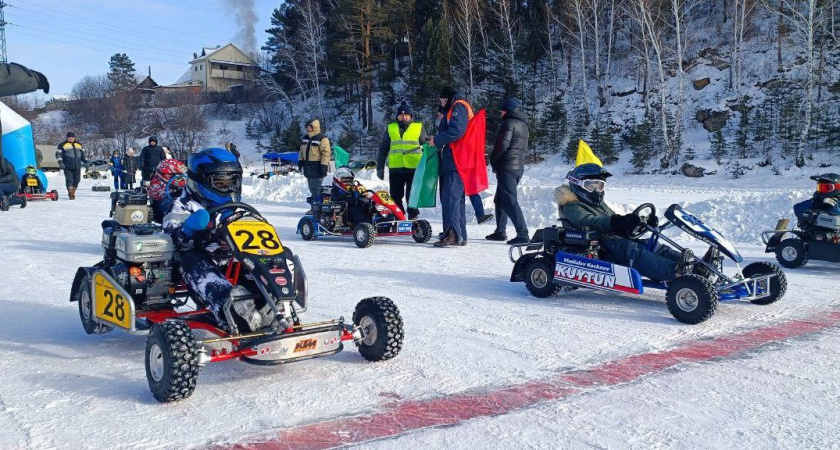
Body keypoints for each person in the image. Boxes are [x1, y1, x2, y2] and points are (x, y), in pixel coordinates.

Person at [162, 148, 264, 332]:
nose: (228, 188)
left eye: (233, 182)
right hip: (199, 261)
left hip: (233, 257)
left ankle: (270, 303)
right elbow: (171, 238)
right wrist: (187, 229)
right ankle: (229, 306)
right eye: (221, 182)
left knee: (262, 257)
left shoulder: (235, 207)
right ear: (200, 180)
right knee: (191, 259)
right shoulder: (182, 205)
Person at [556, 163, 694, 282]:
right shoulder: (571, 205)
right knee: (633, 251)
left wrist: (639, 223)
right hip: (600, 244)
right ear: (577, 184)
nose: (597, 190)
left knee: (650, 245)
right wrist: (617, 222)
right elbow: (589, 221)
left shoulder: (598, 204)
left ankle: (692, 265)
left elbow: (614, 219)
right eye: (591, 186)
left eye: (600, 186)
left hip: (614, 240)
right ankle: (675, 272)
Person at [430, 87, 471, 247]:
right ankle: (460, 234)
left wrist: (438, 140)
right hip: (457, 159)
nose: (442, 104)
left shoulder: (458, 106)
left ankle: (452, 234)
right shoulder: (458, 107)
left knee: (450, 198)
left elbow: (456, 131)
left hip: (456, 159)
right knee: (456, 198)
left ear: (447, 98)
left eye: (442, 101)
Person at [485, 98, 530, 245]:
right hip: (518, 167)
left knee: (509, 201)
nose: (500, 113)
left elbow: (502, 145)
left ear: (508, 111)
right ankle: (500, 232)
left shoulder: (508, 123)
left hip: (507, 167)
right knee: (500, 199)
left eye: (503, 110)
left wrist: (492, 159)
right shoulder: (523, 124)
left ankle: (523, 234)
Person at [376, 101, 427, 219]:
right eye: (401, 115)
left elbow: (426, 146)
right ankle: (398, 215)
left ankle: (413, 215)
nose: (404, 117)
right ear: (397, 116)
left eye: (406, 115)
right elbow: (383, 148)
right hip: (396, 168)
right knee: (395, 196)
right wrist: (380, 167)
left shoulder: (418, 127)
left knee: (412, 195)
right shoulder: (391, 128)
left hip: (413, 168)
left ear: (410, 116)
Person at [298, 119, 332, 202]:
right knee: (311, 188)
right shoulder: (305, 138)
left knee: (316, 189)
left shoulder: (322, 139)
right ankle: (315, 206)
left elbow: (326, 153)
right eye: (307, 126)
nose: (307, 128)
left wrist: (324, 165)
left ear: (315, 127)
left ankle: (315, 207)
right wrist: (300, 161)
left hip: (317, 167)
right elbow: (301, 151)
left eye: (309, 126)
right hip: (308, 167)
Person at [56, 131, 87, 200]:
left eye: (72, 137)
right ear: (67, 138)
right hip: (67, 166)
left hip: (77, 166)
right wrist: (60, 163)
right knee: (69, 180)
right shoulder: (62, 145)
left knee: (77, 180)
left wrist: (86, 162)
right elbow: (58, 154)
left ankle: (72, 191)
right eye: (70, 137)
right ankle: (71, 193)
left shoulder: (79, 144)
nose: (71, 138)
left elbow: (82, 155)